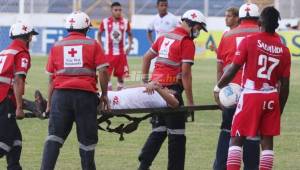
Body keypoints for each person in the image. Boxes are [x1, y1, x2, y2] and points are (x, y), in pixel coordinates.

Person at [214, 6, 290, 170]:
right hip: (271, 97)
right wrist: (279, 109)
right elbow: (285, 87)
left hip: (251, 95)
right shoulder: (284, 50)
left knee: (236, 139)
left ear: (260, 22)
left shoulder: (250, 41)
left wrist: (217, 87)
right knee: (267, 144)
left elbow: (232, 69)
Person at [138, 9, 207, 170]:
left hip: (156, 89)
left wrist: (145, 81)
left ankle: (143, 165)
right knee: (177, 136)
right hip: (172, 91)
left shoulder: (164, 36)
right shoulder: (186, 42)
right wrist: (190, 102)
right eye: (198, 28)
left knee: (159, 130)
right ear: (192, 24)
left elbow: (146, 57)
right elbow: (186, 75)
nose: (198, 32)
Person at [40, 11, 110, 170]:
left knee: (54, 138)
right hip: (85, 97)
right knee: (87, 142)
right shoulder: (93, 44)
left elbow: (51, 78)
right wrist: (104, 94)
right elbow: (103, 71)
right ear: (86, 28)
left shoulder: (57, 45)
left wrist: (50, 103)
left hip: (60, 97)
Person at [213, 3, 261, 170]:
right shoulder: (264, 34)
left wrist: (218, 90)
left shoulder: (227, 36)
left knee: (228, 131)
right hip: (255, 92)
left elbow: (220, 70)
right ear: (258, 18)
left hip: (230, 92)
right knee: (252, 134)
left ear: (240, 18)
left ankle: (220, 167)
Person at [0, 20, 38, 170]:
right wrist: (20, 107)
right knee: (5, 141)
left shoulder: (5, 51)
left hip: (3, 98)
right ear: (27, 36)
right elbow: (18, 80)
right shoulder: (22, 53)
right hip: (4, 100)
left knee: (16, 140)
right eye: (31, 36)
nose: (32, 39)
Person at [98, 2, 133, 91]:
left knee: (121, 77)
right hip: (109, 53)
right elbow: (99, 34)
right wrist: (101, 46)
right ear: (111, 10)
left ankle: (120, 95)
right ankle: (109, 94)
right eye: (116, 10)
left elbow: (130, 34)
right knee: (107, 76)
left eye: (120, 10)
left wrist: (129, 45)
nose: (118, 12)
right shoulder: (105, 21)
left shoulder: (125, 22)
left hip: (121, 54)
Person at [147, 0, 179, 72]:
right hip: (157, 48)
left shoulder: (173, 19)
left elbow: (181, 30)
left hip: (169, 48)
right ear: (157, 6)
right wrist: (152, 43)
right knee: (153, 69)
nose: (164, 7)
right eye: (162, 5)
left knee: (167, 69)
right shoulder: (154, 19)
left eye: (166, 5)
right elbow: (149, 31)